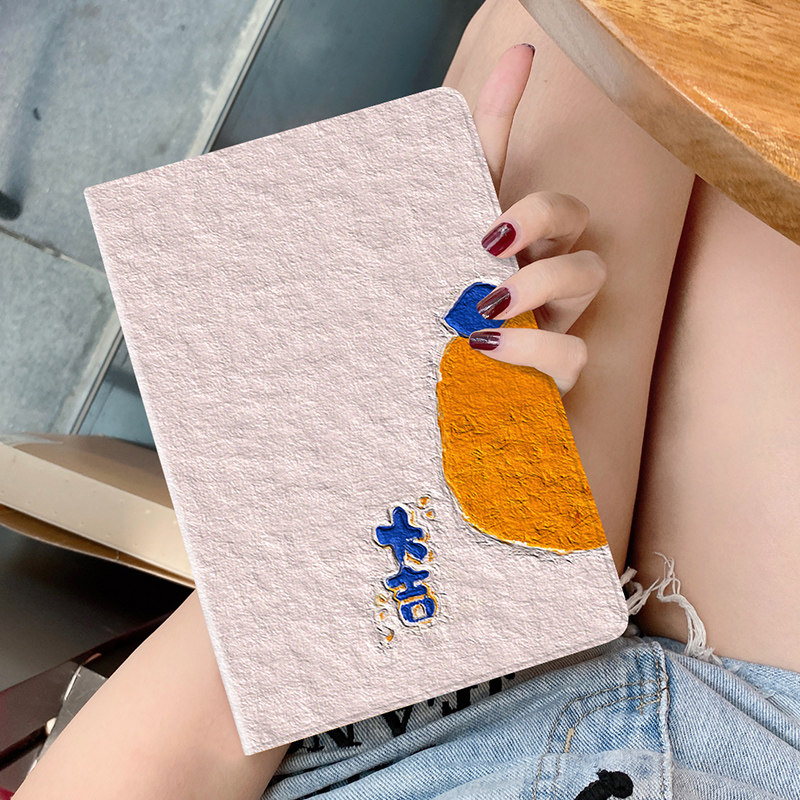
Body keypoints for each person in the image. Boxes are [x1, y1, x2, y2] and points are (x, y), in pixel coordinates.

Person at [13, 2, 800, 798]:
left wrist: (388, 414)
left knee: (600, 43)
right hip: (764, 740)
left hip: (390, 678)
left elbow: (181, 750)